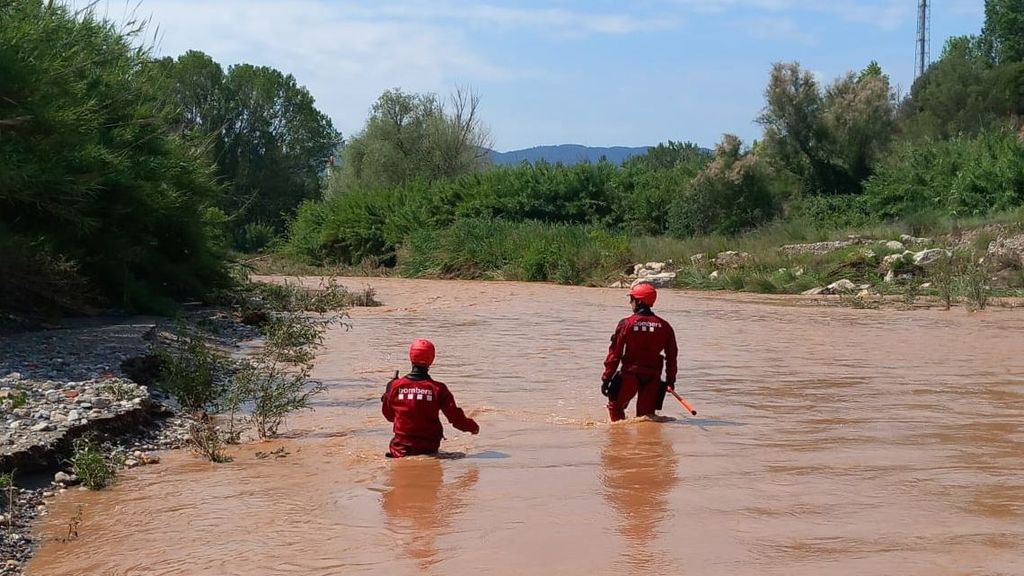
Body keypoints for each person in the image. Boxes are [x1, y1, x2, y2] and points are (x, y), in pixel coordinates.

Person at [382, 339, 480, 457]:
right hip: (429, 450)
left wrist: (387, 393)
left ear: (410, 357)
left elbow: (389, 416)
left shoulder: (394, 386)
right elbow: (455, 418)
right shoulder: (438, 389)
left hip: (400, 451)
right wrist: (473, 428)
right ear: (432, 359)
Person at [601, 282, 678, 422]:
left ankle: (618, 441)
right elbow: (672, 356)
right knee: (646, 418)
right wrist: (670, 380)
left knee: (615, 407)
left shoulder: (627, 324)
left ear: (639, 301)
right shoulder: (665, 326)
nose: (630, 302)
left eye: (632, 299)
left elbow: (614, 354)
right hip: (653, 378)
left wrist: (606, 378)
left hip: (629, 375)